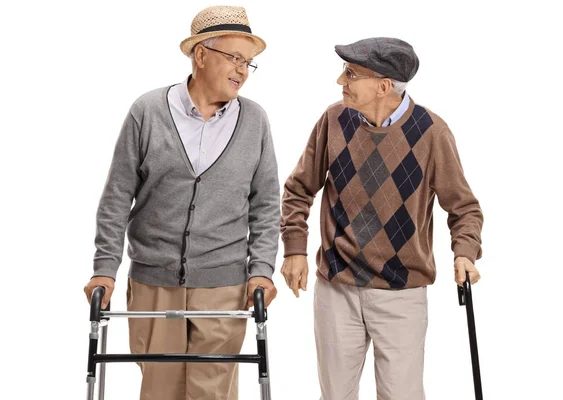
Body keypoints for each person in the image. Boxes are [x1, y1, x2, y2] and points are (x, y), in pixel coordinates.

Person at [83, 6, 280, 400]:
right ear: (201, 55)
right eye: (234, 58)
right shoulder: (148, 111)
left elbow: (266, 203)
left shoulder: (255, 120)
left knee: (214, 392)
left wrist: (261, 270)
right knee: (159, 388)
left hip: (225, 284)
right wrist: (105, 269)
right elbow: (117, 195)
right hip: (153, 281)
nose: (242, 70)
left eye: (249, 63)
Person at [280, 37, 484, 400]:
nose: (340, 81)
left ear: (383, 86)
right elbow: (298, 189)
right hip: (337, 288)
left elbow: (464, 207)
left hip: (400, 292)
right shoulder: (333, 120)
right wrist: (295, 249)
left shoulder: (431, 132)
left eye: (350, 73)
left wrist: (464, 252)